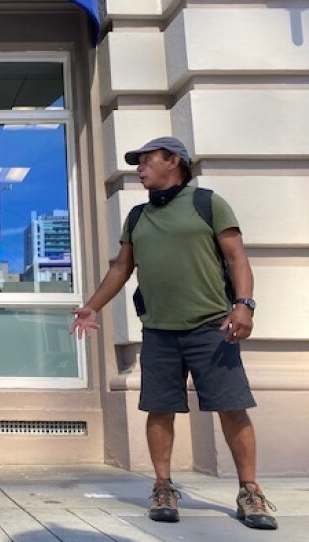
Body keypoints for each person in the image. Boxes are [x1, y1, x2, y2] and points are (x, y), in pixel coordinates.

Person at [70, 137, 276, 530]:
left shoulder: (208, 204)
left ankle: (250, 490)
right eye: (139, 162)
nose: (140, 168)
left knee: (232, 407)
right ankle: (163, 487)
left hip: (212, 327)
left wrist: (244, 305)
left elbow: (237, 257)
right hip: (159, 332)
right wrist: (92, 306)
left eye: (147, 160)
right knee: (159, 409)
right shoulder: (137, 216)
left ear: (174, 161)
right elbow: (121, 268)